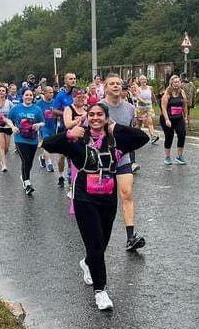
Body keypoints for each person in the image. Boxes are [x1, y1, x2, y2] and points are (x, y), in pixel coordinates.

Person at [42, 103, 149, 310]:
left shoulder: (116, 138)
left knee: (103, 241)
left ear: (107, 117)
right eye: (91, 115)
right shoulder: (78, 138)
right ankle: (100, 291)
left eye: (100, 114)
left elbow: (141, 138)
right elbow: (48, 144)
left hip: (108, 198)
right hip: (84, 198)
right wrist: (68, 133)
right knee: (95, 245)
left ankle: (88, 263)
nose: (95, 118)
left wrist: (115, 127)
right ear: (86, 117)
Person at [101, 74, 145, 251]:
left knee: (126, 194)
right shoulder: (99, 108)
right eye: (111, 83)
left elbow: (132, 131)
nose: (116, 86)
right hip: (102, 158)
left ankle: (130, 237)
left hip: (123, 157)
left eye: (118, 83)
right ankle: (99, 235)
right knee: (105, 199)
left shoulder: (129, 108)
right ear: (105, 88)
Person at [6, 89, 45, 195]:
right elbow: (8, 119)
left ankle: (24, 176)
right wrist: (13, 127)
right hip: (20, 139)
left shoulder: (37, 109)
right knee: (25, 160)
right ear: (22, 96)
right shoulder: (16, 108)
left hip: (33, 140)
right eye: (26, 95)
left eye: (30, 95)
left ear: (33, 97)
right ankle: (27, 183)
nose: (29, 97)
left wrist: (38, 125)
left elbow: (43, 122)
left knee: (30, 162)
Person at [51, 73, 78, 187]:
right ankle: (61, 175)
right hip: (63, 127)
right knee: (62, 156)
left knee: (73, 154)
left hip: (76, 127)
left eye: (74, 79)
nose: (73, 80)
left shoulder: (78, 93)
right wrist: (67, 114)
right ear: (65, 81)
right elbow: (54, 110)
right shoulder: (60, 95)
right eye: (70, 79)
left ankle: (72, 178)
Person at [160, 75, 188, 165]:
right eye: (175, 82)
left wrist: (186, 117)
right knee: (169, 136)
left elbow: (184, 106)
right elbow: (163, 108)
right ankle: (167, 157)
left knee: (182, 134)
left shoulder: (182, 92)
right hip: (168, 118)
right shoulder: (167, 93)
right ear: (171, 83)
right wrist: (167, 119)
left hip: (179, 118)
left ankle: (180, 156)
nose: (177, 84)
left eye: (178, 82)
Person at [36, 86, 58, 172]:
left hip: (53, 126)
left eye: (52, 92)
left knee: (52, 146)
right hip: (43, 127)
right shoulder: (39, 104)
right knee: (46, 143)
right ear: (44, 93)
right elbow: (35, 115)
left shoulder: (55, 102)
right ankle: (49, 163)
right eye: (49, 92)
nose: (51, 94)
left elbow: (59, 114)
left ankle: (42, 157)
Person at [134, 75, 159, 144]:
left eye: (145, 79)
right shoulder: (138, 89)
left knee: (150, 122)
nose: (144, 81)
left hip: (148, 107)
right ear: (140, 81)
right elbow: (138, 97)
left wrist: (155, 102)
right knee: (139, 124)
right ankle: (135, 136)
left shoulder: (150, 88)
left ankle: (153, 136)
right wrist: (144, 101)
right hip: (140, 108)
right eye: (142, 79)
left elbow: (152, 95)